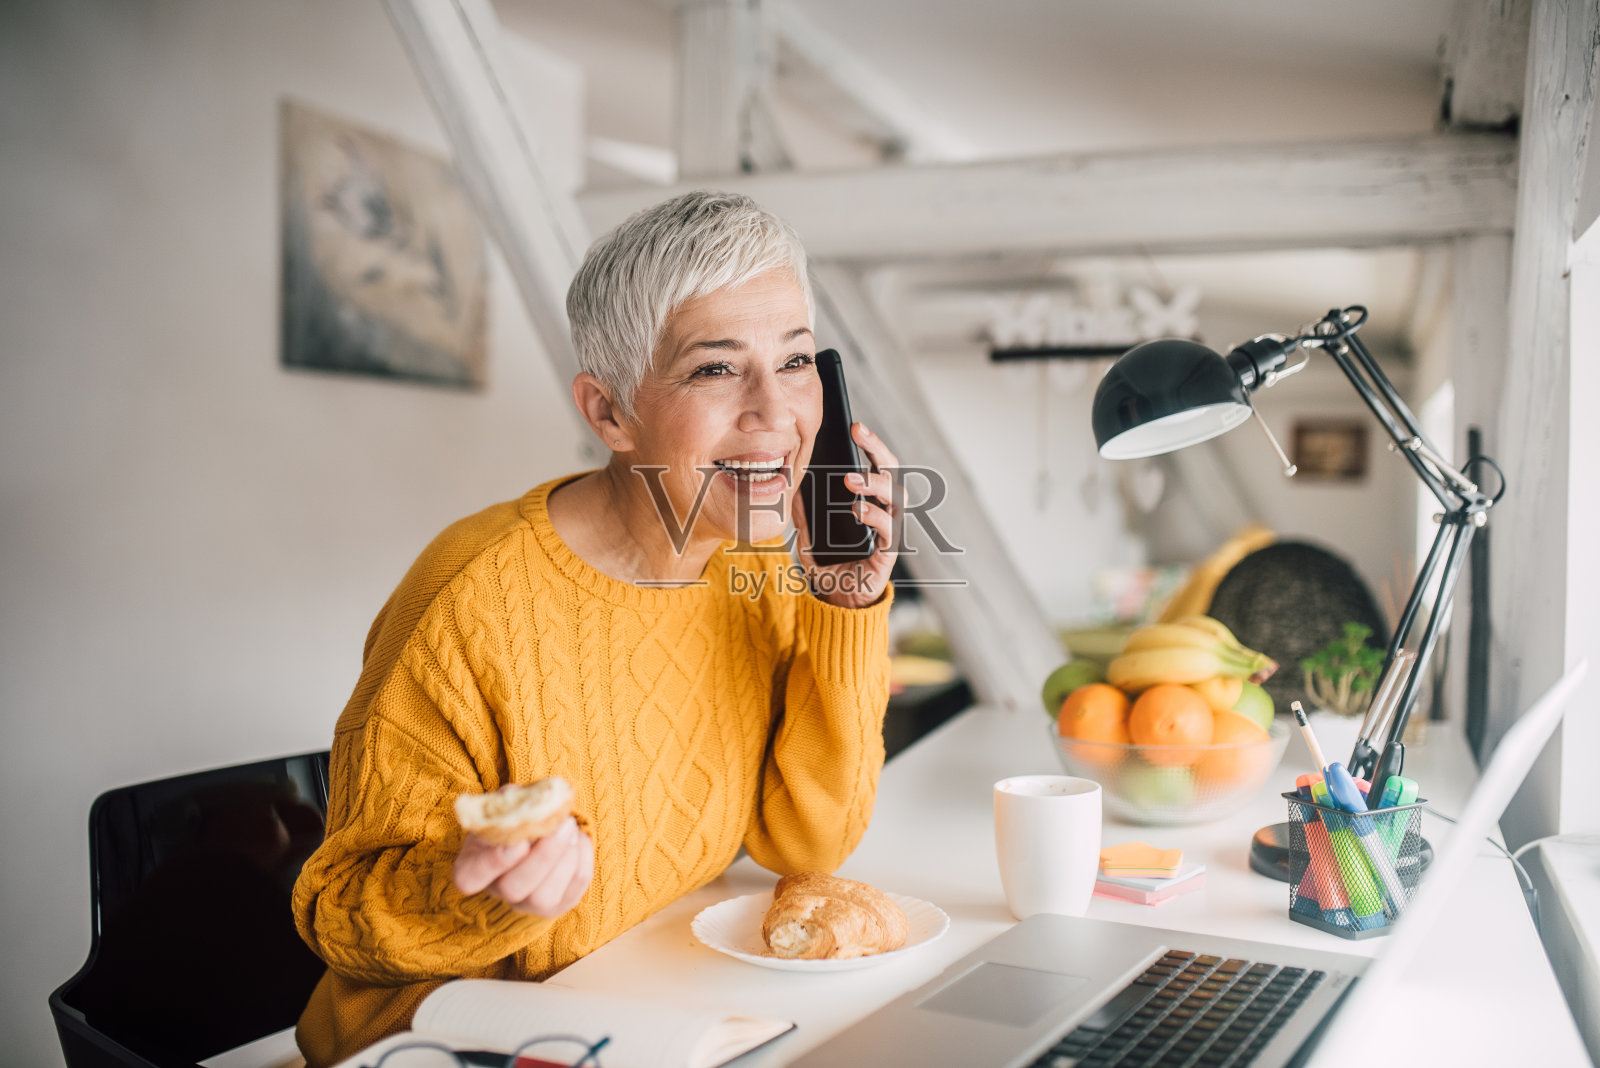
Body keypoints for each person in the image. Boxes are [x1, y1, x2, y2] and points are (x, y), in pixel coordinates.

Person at [291, 191, 903, 1065]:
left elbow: (806, 842)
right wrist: (485, 893)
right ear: (610, 413)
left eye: (797, 360)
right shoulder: (471, 596)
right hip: (445, 1042)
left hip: (648, 1015)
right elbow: (337, 912)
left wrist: (845, 608)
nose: (776, 412)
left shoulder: (761, 562)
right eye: (715, 369)